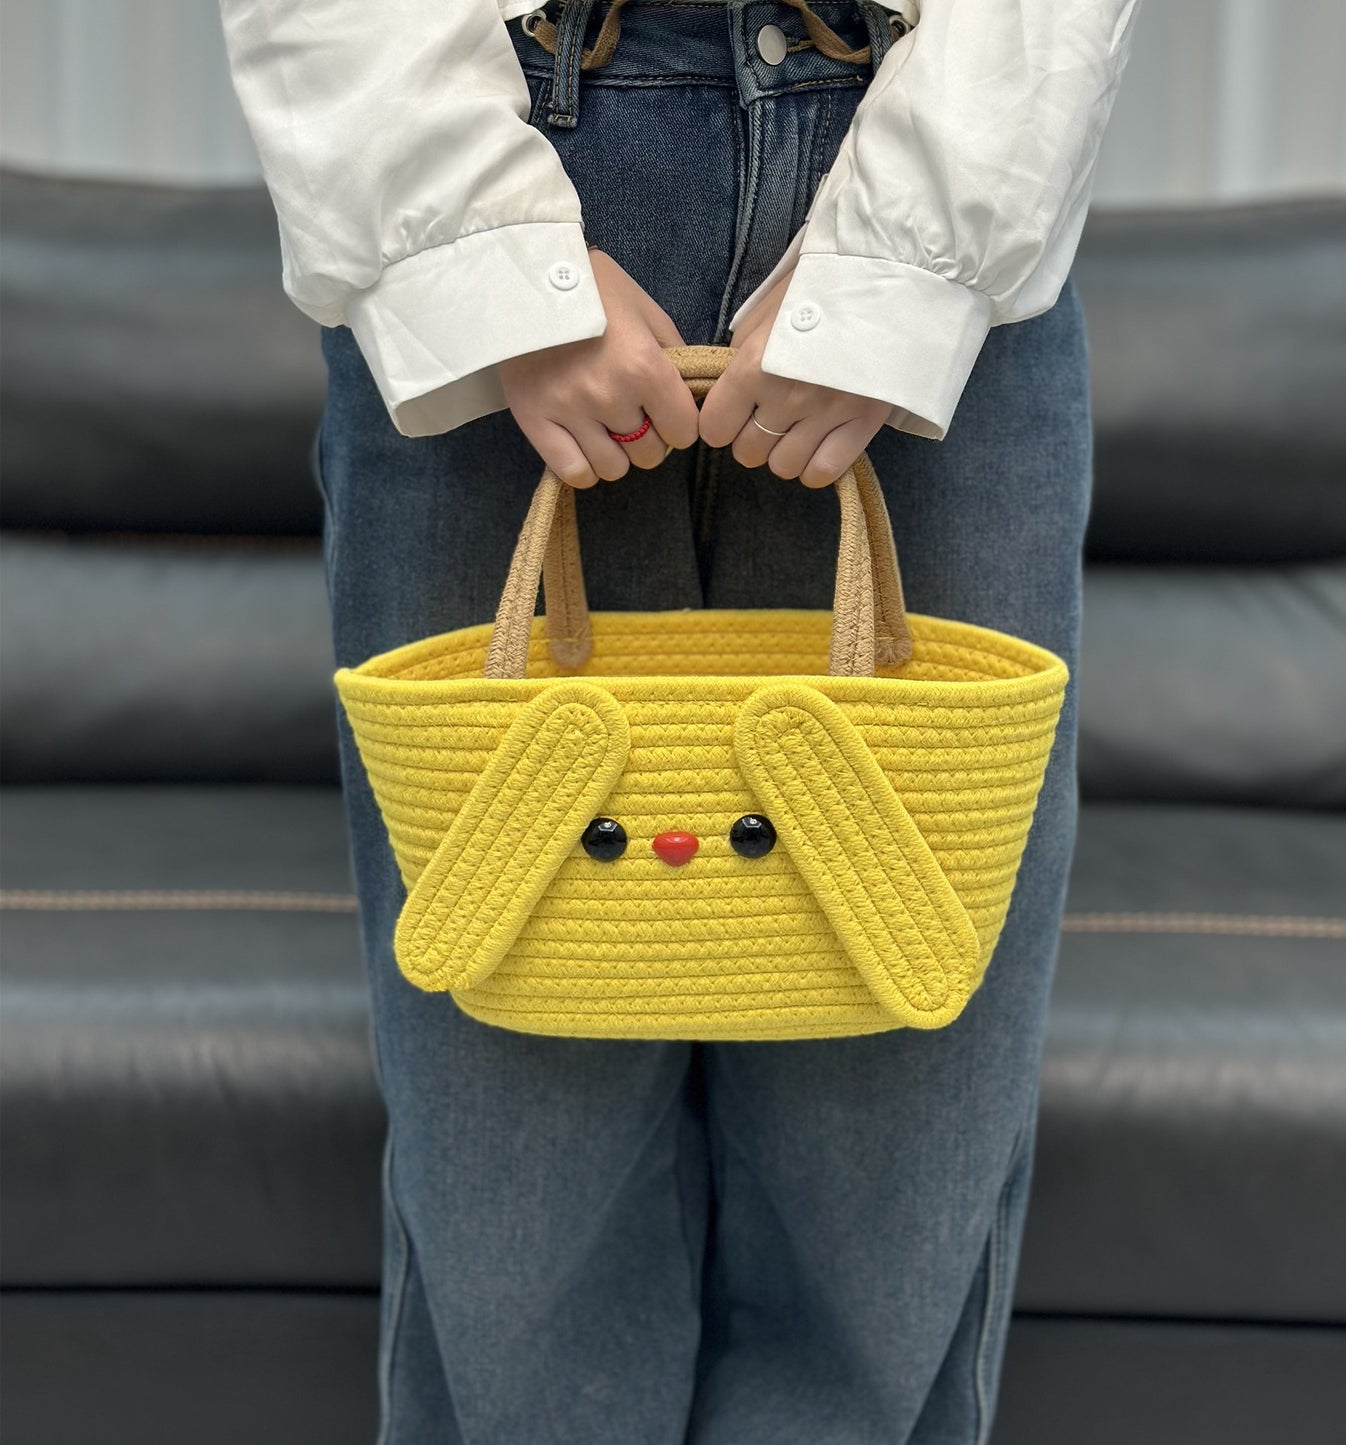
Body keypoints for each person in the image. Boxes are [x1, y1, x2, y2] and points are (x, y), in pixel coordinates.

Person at [218, 1, 1138, 1439]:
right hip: (503, 127)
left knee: (896, 1172)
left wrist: (904, 261)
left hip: (940, 145)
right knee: (508, 1185)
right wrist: (468, 251)